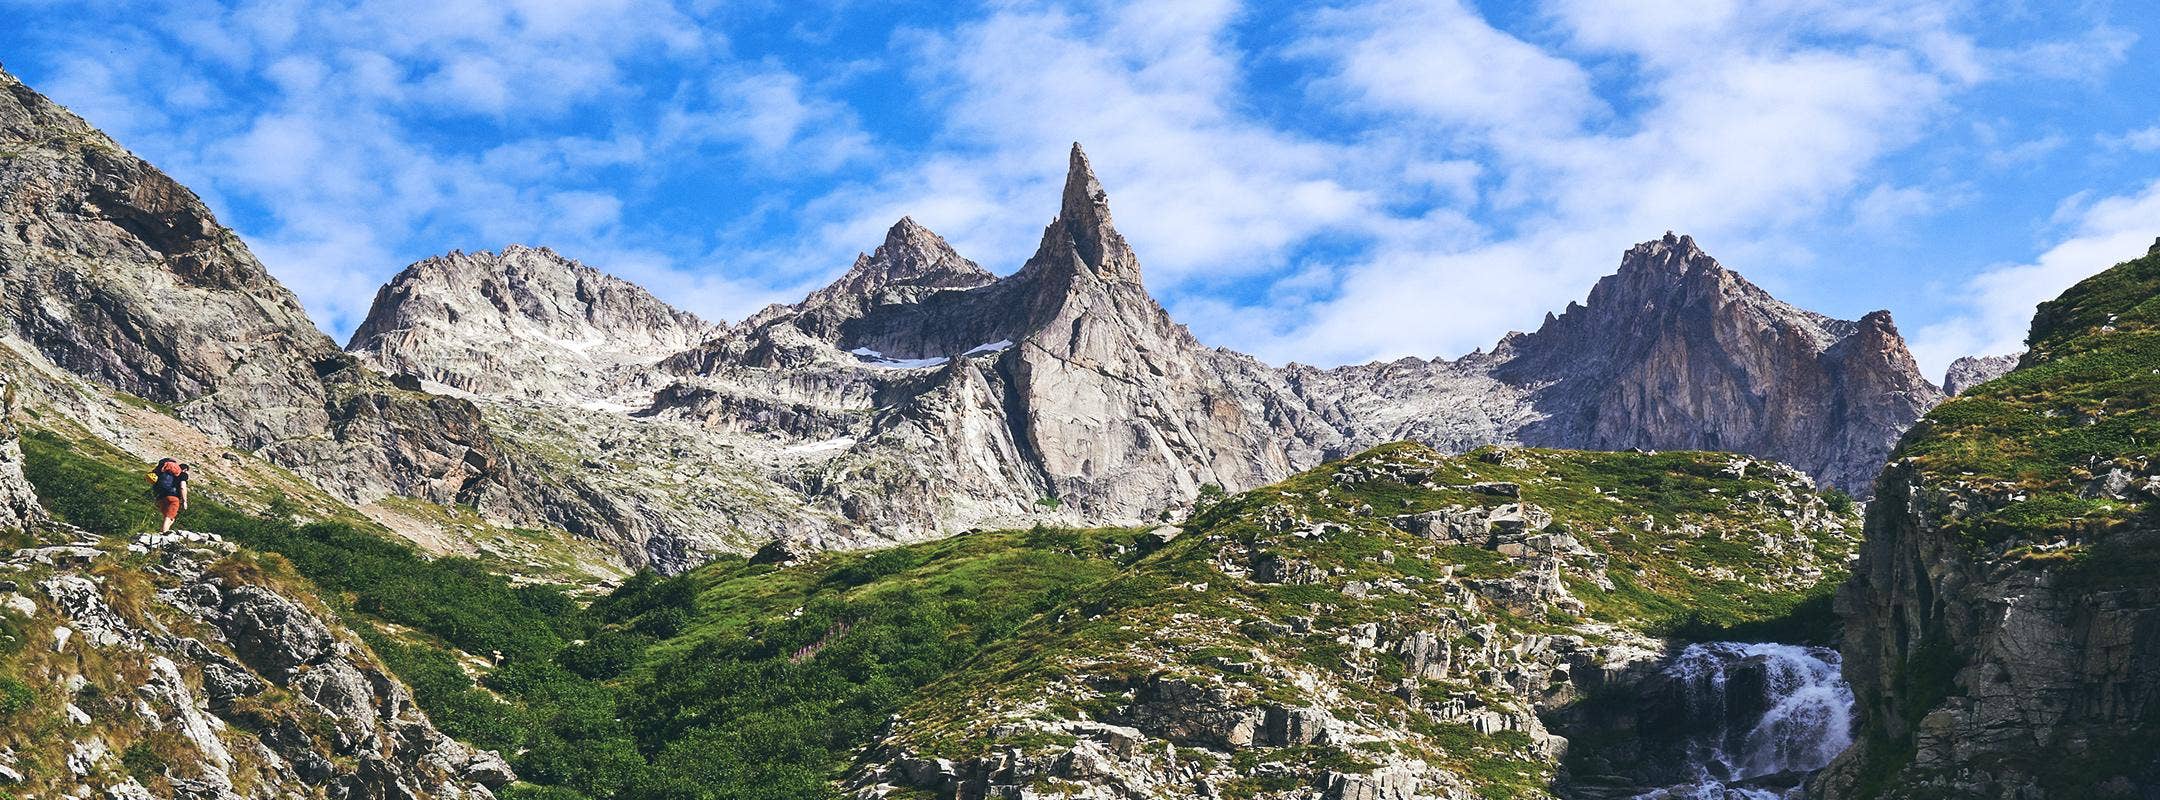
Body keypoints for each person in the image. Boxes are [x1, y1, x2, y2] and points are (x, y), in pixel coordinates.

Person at [148, 458, 188, 533]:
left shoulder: (161, 472)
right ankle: (163, 536)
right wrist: (184, 501)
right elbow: (183, 487)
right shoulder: (182, 474)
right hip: (173, 497)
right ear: (185, 469)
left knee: (170, 518)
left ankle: (163, 533)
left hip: (160, 497)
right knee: (168, 517)